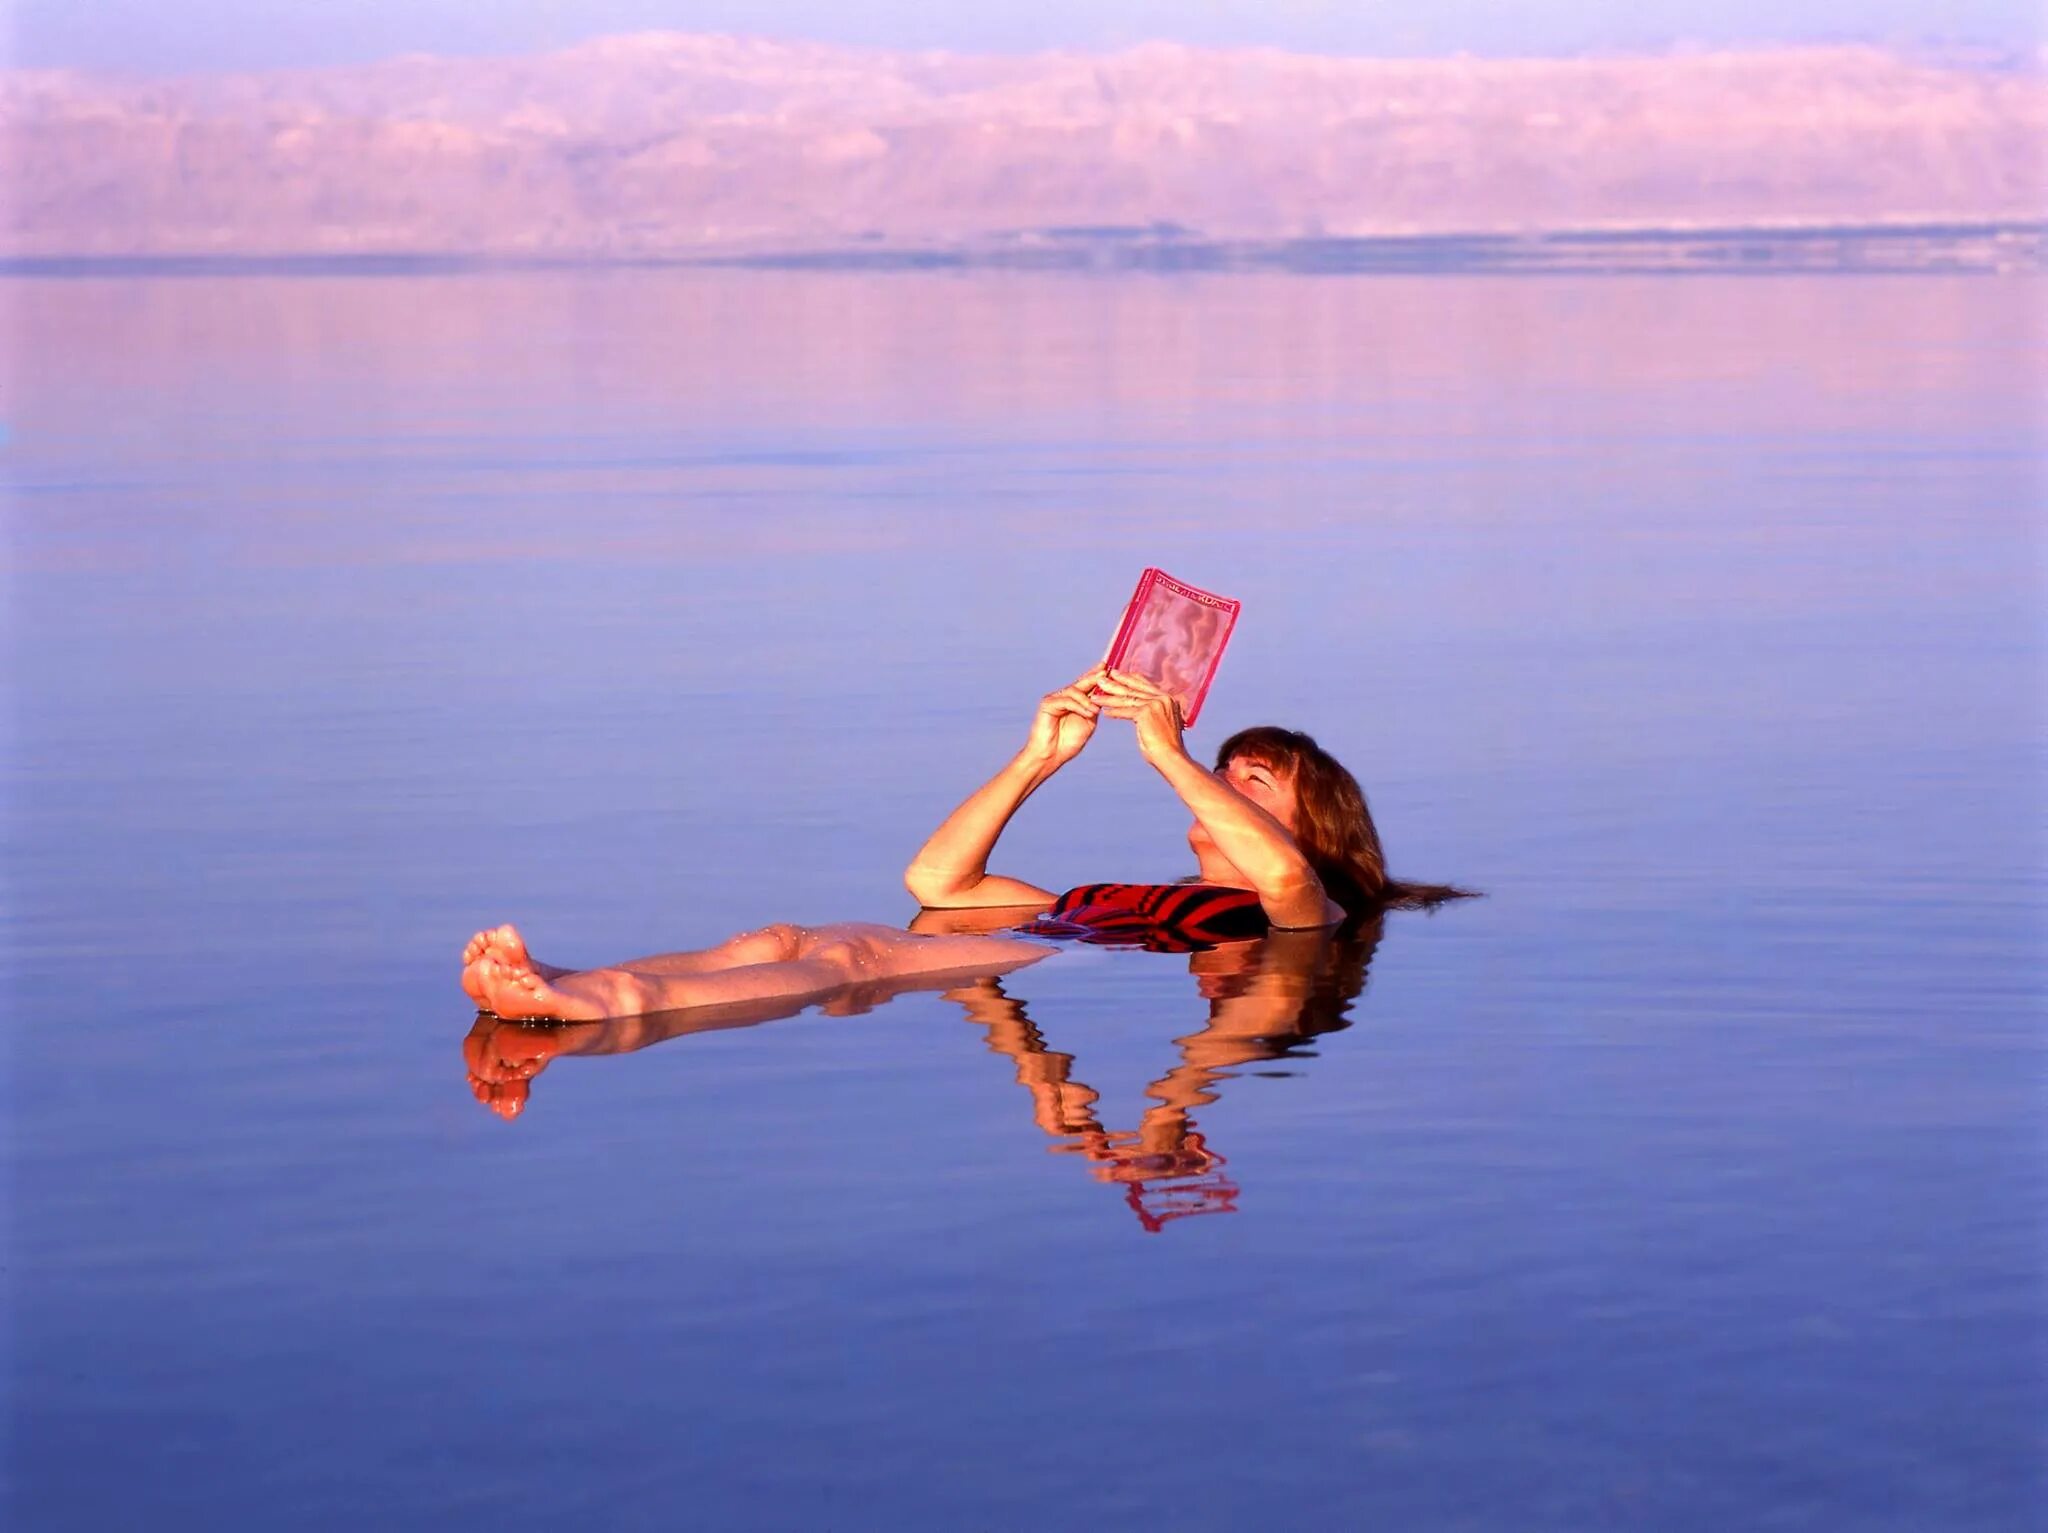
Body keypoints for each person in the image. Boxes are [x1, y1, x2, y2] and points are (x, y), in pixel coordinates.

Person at [458, 665, 1469, 1022]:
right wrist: (1039, 756)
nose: (1217, 784)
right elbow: (937, 880)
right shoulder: (1132, 887)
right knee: (785, 935)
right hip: (1030, 931)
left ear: (1309, 822)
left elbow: (1287, 873)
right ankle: (571, 976)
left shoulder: (1302, 910)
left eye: (1251, 783)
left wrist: (1166, 752)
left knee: (851, 959)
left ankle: (595, 1008)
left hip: (1033, 959)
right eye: (1220, 768)